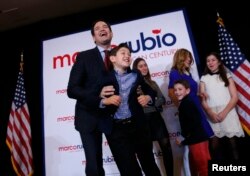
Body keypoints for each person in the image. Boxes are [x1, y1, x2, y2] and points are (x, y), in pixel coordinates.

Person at [100, 43, 161, 176]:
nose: (127, 56)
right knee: (129, 170)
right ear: (112, 58)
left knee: (150, 165)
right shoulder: (103, 77)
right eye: (123, 53)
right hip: (116, 130)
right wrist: (104, 101)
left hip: (138, 125)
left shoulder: (136, 74)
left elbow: (150, 89)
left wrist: (148, 97)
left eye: (129, 54)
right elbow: (92, 98)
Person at [67, 19, 114, 176]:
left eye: (105, 27)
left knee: (126, 160)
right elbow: (72, 89)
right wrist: (97, 95)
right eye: (97, 28)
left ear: (111, 33)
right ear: (94, 37)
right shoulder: (84, 57)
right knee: (94, 166)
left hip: (115, 117)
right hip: (89, 117)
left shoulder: (120, 56)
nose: (102, 29)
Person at [168, 48, 214, 175]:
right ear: (181, 57)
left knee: (202, 147)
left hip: (196, 108)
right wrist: (182, 107)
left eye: (190, 57)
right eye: (187, 56)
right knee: (198, 151)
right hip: (190, 109)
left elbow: (191, 91)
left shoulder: (188, 73)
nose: (189, 59)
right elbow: (171, 92)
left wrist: (200, 95)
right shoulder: (175, 72)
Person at [199, 52, 245, 161]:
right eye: (208, 60)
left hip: (228, 112)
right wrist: (210, 113)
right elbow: (203, 100)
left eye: (213, 60)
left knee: (232, 145)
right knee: (215, 147)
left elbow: (234, 97)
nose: (210, 62)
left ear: (219, 62)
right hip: (212, 115)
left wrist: (224, 112)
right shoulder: (204, 78)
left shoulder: (227, 76)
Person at [132, 57, 173, 176]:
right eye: (141, 66)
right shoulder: (132, 84)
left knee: (167, 147)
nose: (144, 68)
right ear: (135, 69)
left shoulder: (153, 83)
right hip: (142, 121)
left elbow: (162, 99)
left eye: (145, 65)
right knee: (147, 153)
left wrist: (151, 102)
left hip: (156, 118)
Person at [173, 79, 213, 176]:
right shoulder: (185, 103)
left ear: (187, 90)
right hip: (198, 139)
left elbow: (193, 124)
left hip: (197, 140)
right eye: (175, 90)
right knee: (199, 168)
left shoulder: (186, 104)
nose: (177, 92)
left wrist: (183, 139)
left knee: (203, 168)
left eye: (180, 89)